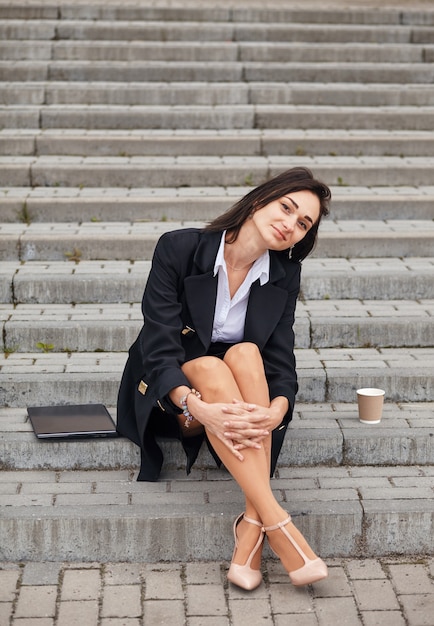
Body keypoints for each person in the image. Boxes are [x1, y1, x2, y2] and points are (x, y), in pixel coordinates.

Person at [117, 166, 331, 590]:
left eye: (303, 223)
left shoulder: (284, 274)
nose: (291, 224)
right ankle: (278, 524)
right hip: (171, 393)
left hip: (239, 395)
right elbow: (159, 346)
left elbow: (280, 358)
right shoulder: (179, 249)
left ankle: (250, 528)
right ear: (258, 202)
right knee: (213, 365)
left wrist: (277, 410)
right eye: (286, 208)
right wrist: (196, 406)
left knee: (249, 352)